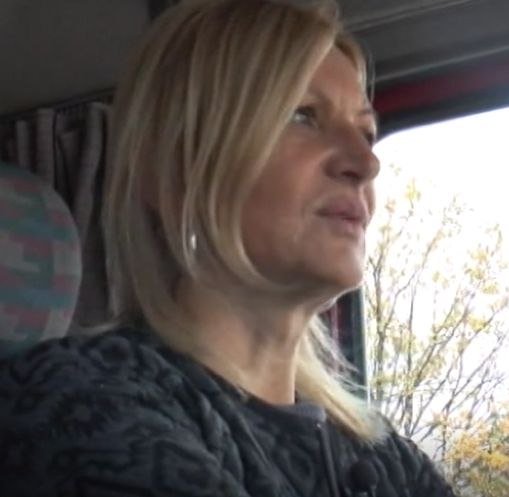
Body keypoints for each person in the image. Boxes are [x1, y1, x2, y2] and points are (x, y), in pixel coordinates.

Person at [0, 0, 456, 495]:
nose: (367, 162)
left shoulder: (386, 457)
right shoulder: (75, 399)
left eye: (366, 132)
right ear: (176, 173)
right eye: (302, 115)